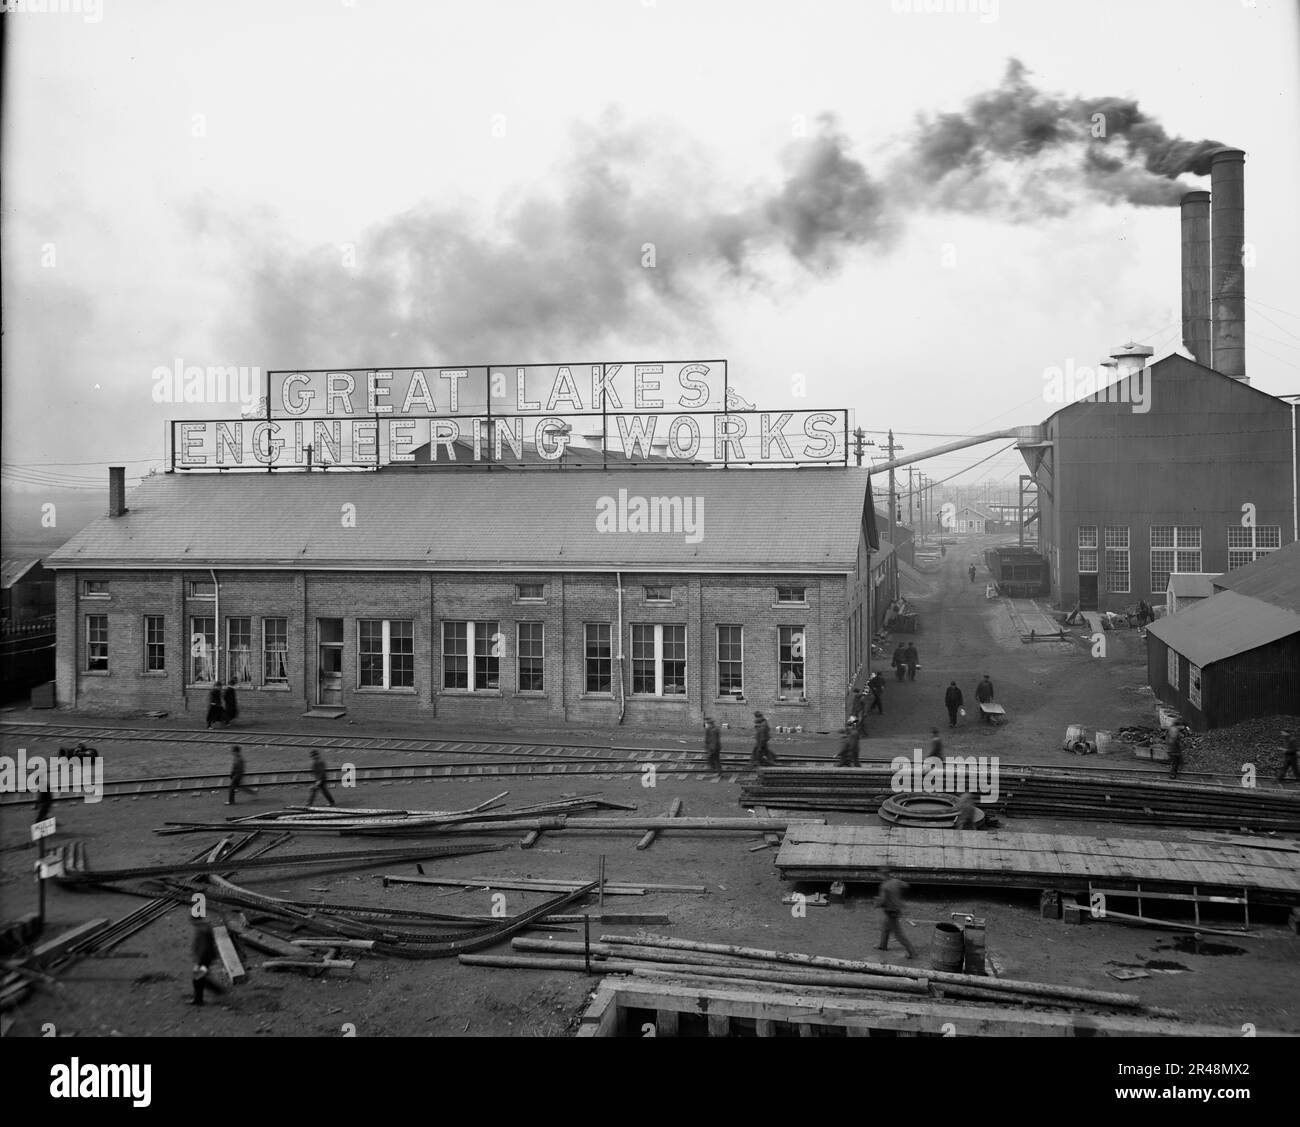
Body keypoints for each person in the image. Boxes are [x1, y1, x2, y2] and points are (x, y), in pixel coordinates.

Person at [873, 873, 916, 959]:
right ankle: (883, 946)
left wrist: (876, 903)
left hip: (891, 912)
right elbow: (906, 885)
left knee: (899, 935)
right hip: (895, 910)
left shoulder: (885, 886)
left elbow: (882, 901)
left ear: (883, 876)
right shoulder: (896, 881)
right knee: (885, 928)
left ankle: (911, 952)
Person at [189, 916, 227, 1006]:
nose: (193, 923)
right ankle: (218, 991)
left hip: (204, 960)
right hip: (205, 958)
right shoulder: (203, 928)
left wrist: (199, 962)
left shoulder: (204, 930)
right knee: (200, 978)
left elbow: (204, 949)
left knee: (197, 979)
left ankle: (199, 999)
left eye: (194, 921)